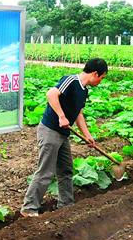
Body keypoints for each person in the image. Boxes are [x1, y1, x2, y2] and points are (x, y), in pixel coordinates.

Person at [20, 58, 108, 217]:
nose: (101, 81)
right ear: (95, 74)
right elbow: (51, 94)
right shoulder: (71, 80)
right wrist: (61, 116)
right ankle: (29, 208)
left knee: (66, 169)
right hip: (50, 130)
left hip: (63, 134)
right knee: (46, 171)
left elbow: (79, 114)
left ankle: (66, 205)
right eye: (101, 78)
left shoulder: (84, 90)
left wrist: (87, 135)